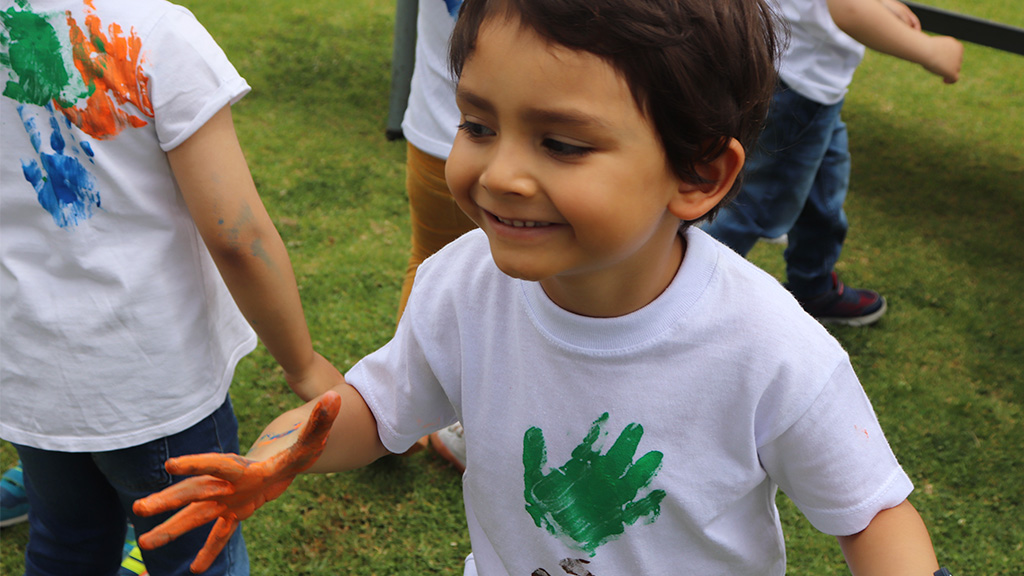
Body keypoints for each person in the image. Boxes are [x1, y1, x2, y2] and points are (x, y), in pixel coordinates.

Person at [133, 0, 944, 574]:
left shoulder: (772, 349)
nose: (501, 174)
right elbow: (379, 410)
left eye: (560, 142)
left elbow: (872, 516)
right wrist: (281, 456)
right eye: (478, 124)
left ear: (699, 172)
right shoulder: (462, 284)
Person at [0, 0, 342, 575]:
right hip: (156, 381)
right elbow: (237, 233)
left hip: (33, 371)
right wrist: (302, 363)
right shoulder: (160, 35)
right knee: (196, 558)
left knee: (65, 545)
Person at [702, 0, 963, 326]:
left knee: (822, 194)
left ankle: (812, 286)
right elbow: (848, 9)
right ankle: (682, 300)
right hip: (799, 84)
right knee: (754, 209)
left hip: (799, 77)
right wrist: (929, 49)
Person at [397, 0, 473, 470]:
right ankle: (403, 415)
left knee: (428, 265)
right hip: (452, 133)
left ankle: (404, 417)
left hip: (437, 128)